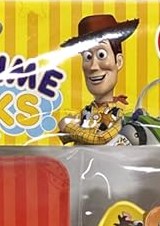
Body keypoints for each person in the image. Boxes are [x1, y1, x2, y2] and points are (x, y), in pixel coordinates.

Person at [58, 13, 139, 145]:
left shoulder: (121, 116)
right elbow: (63, 132)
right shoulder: (84, 113)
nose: (93, 66)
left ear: (118, 61)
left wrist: (71, 129)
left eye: (101, 54)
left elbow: (101, 138)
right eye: (88, 57)